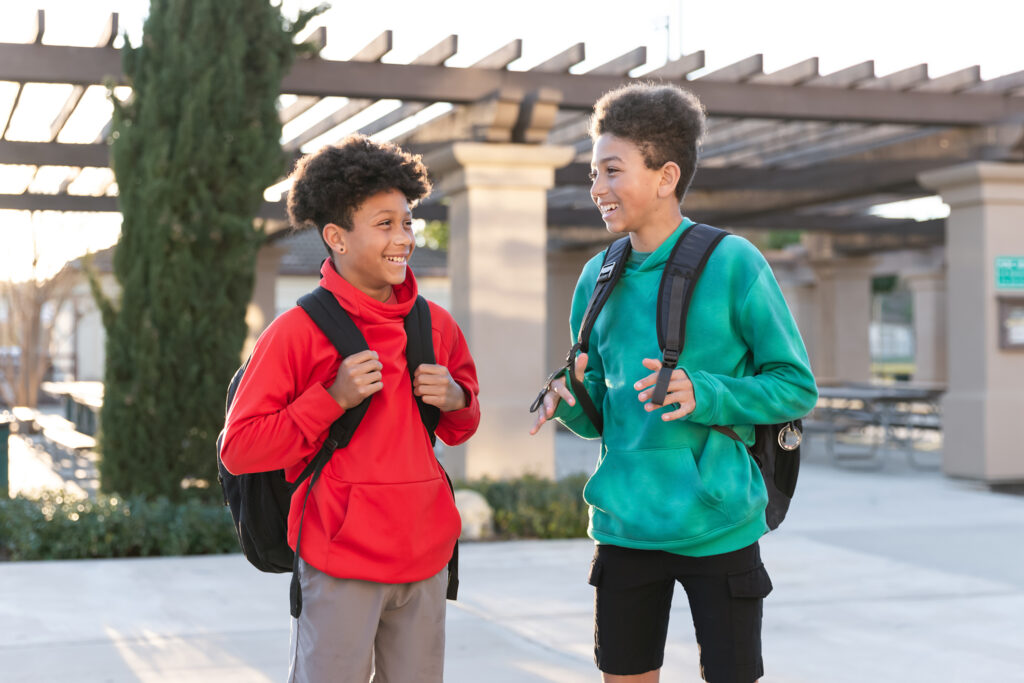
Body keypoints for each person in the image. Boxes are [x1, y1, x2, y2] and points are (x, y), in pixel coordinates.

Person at [530, 83, 818, 683]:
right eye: (593, 173)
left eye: (612, 171)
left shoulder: (735, 262)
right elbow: (605, 413)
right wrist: (570, 400)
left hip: (719, 524)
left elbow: (795, 387)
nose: (597, 188)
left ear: (666, 176)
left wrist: (704, 392)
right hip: (624, 526)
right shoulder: (596, 276)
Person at [221, 135, 480, 683]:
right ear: (336, 237)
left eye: (407, 222)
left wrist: (456, 399)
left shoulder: (436, 325)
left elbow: (461, 427)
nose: (404, 238)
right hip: (340, 561)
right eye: (384, 224)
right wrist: (330, 399)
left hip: (426, 557)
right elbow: (239, 450)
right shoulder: (295, 333)